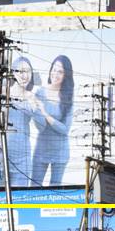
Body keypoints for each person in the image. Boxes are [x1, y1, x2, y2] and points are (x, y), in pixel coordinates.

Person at [29, 55, 74, 186]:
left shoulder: (68, 96)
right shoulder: (40, 93)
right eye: (54, 70)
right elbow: (40, 127)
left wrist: (45, 114)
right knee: (33, 189)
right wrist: (36, 111)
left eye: (60, 72)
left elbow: (65, 129)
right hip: (42, 148)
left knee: (54, 193)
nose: (55, 74)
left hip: (61, 151)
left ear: (66, 75)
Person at [5, 55, 39, 187]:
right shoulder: (3, 94)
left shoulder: (32, 97)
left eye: (28, 71)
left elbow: (40, 122)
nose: (25, 76)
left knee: (20, 196)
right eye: (20, 71)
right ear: (13, 72)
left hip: (23, 155)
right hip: (2, 152)